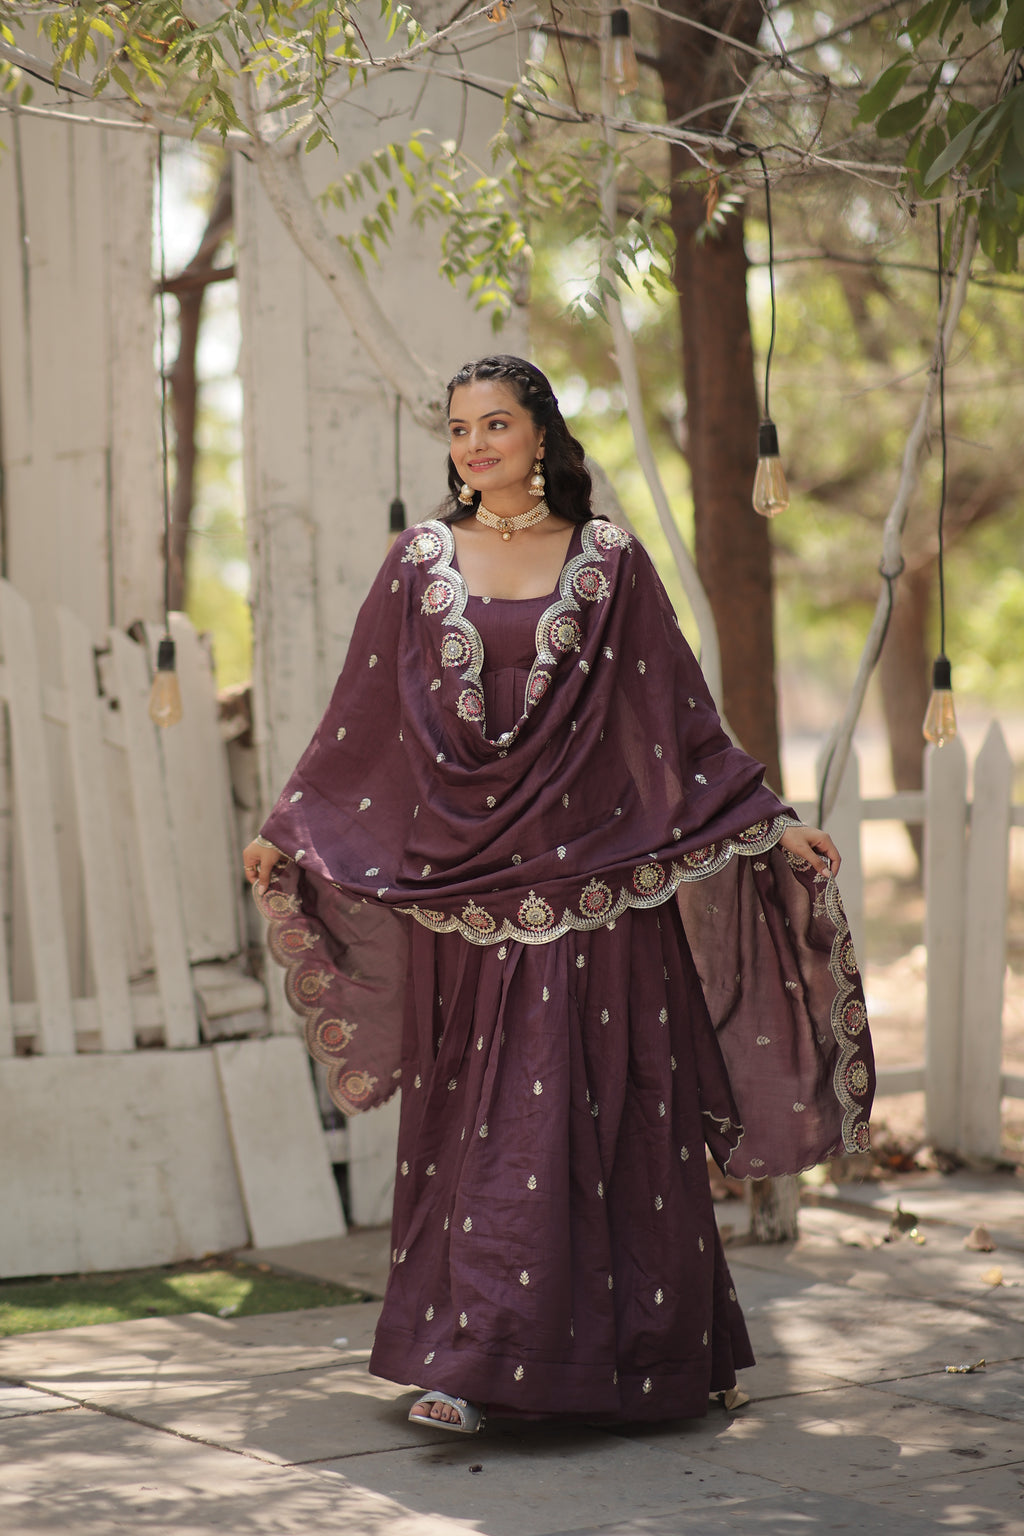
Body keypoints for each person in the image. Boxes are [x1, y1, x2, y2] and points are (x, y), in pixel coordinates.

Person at [242, 354, 874, 1434]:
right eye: (457, 429)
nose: (475, 444)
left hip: (606, 898)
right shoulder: (416, 563)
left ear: (542, 434)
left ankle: (658, 1360)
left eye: (496, 423)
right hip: (471, 901)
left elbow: (683, 723)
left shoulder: (610, 562)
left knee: (622, 1118)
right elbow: (362, 725)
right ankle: (468, 1364)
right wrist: (291, 829)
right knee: (486, 1130)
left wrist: (770, 824)